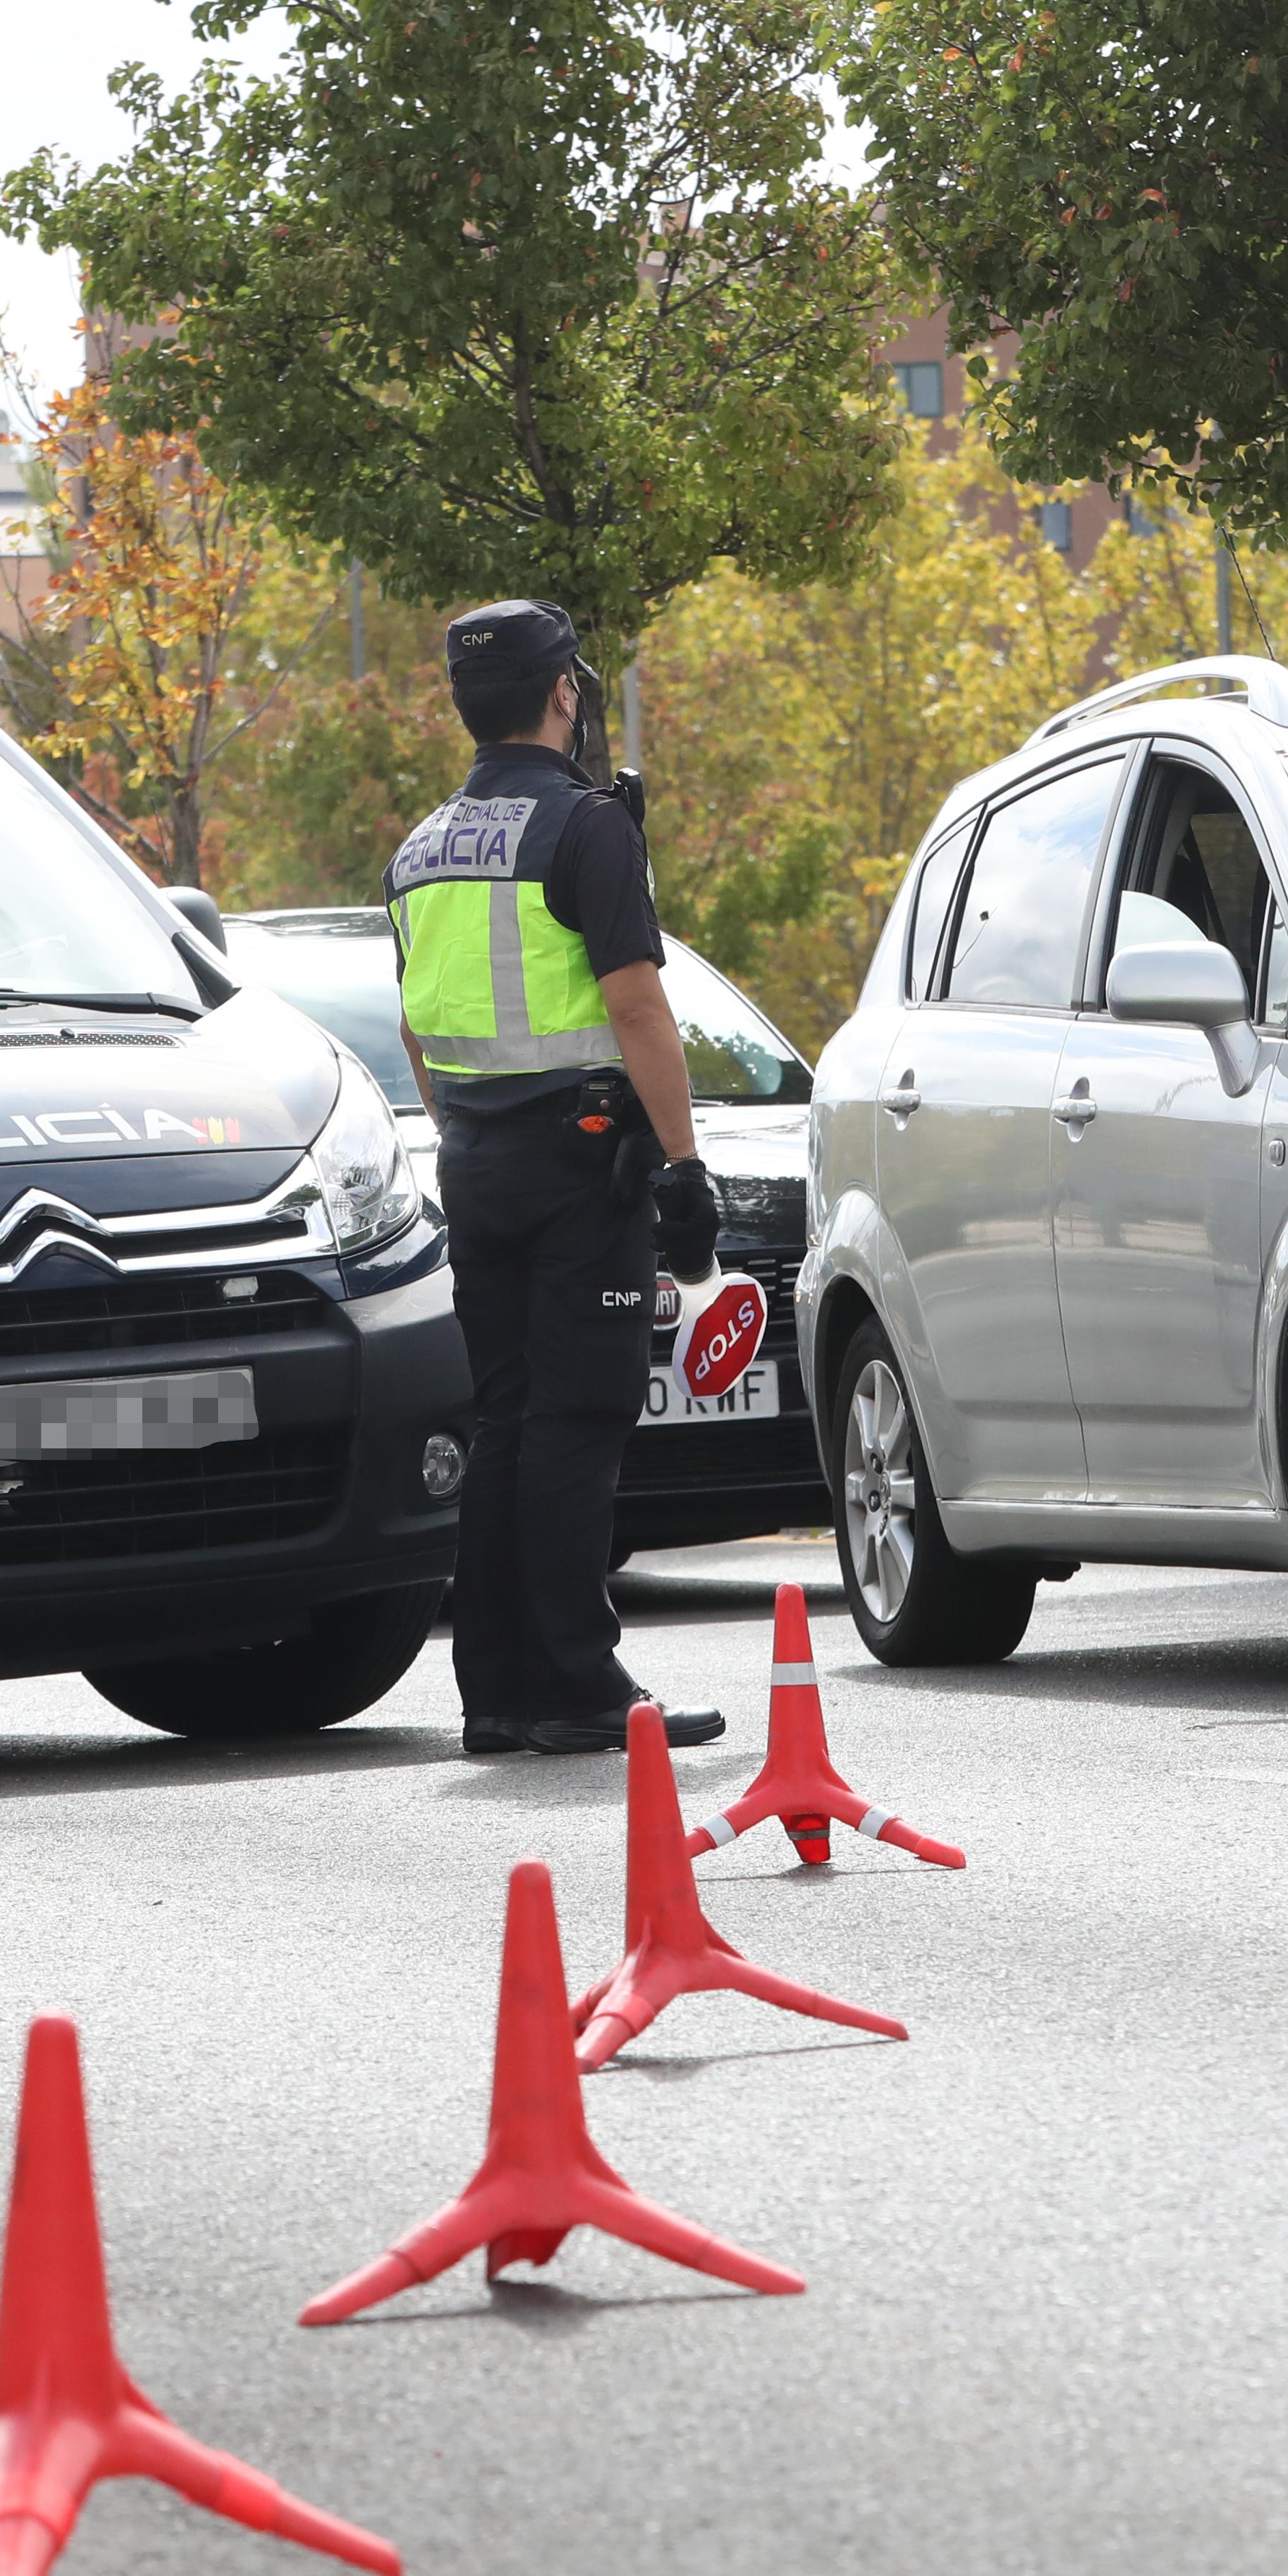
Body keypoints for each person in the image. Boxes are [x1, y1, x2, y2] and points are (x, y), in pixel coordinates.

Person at [389, 600, 731, 1756]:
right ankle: (582, 1685)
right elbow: (636, 1004)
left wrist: (473, 1135)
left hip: (474, 1158)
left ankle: (498, 1695)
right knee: (577, 1421)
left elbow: (417, 1029)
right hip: (582, 1164)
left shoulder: (420, 847)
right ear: (565, 695)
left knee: (506, 1420)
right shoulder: (587, 831)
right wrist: (683, 1165)